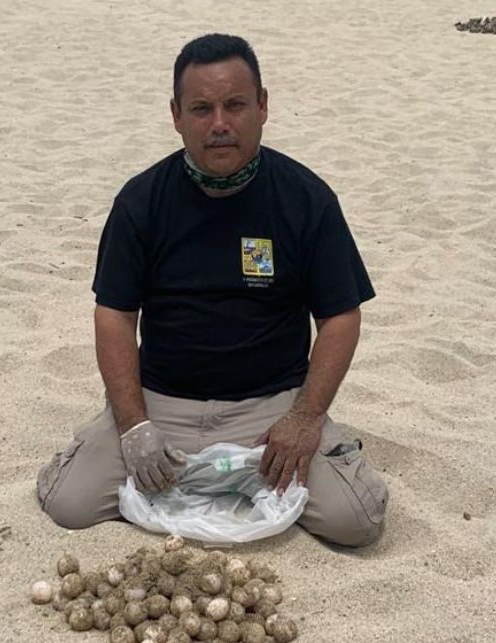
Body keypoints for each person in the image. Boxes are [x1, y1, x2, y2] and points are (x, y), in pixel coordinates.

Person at [35, 33, 388, 547]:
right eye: (201, 108)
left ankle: (319, 447)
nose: (219, 124)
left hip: (271, 409)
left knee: (355, 523)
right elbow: (114, 315)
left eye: (235, 105)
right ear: (176, 115)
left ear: (263, 106)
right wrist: (134, 426)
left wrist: (305, 418)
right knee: (70, 504)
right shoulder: (141, 201)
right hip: (161, 404)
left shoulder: (306, 198)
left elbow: (341, 316)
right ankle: (118, 439)